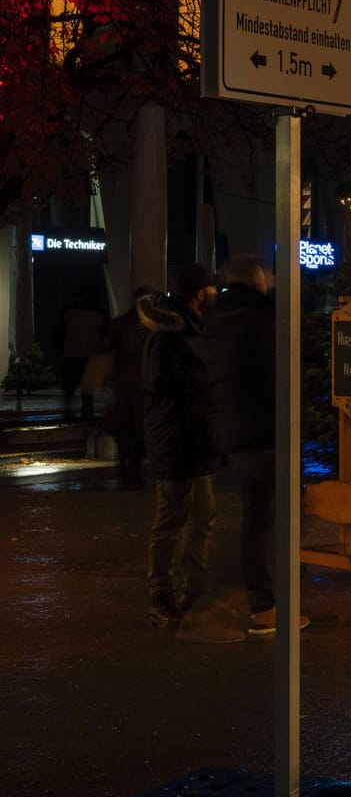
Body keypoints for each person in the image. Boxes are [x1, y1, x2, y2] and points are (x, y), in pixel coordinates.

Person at [204, 254, 307, 636]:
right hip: (266, 433)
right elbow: (277, 378)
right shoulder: (262, 318)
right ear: (258, 278)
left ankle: (261, 605)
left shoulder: (219, 320)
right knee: (285, 519)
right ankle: (275, 606)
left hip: (237, 435)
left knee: (255, 518)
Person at [140, 263, 219, 628]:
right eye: (212, 288)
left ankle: (195, 586)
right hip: (174, 437)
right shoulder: (169, 331)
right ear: (200, 293)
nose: (217, 294)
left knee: (202, 515)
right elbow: (160, 381)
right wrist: (205, 380)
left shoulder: (192, 326)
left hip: (194, 436)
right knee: (171, 519)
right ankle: (161, 593)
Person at [100, 287, 154, 485]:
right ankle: (134, 466)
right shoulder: (152, 326)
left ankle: (125, 465)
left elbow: (105, 346)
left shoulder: (120, 323)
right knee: (138, 428)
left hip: (123, 382)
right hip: (141, 382)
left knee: (124, 426)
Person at [56, 288, 107, 418]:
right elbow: (105, 336)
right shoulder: (99, 313)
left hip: (70, 355)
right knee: (88, 393)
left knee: (69, 392)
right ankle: (87, 416)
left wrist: (59, 353)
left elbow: (59, 334)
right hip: (91, 357)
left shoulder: (67, 312)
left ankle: (68, 416)